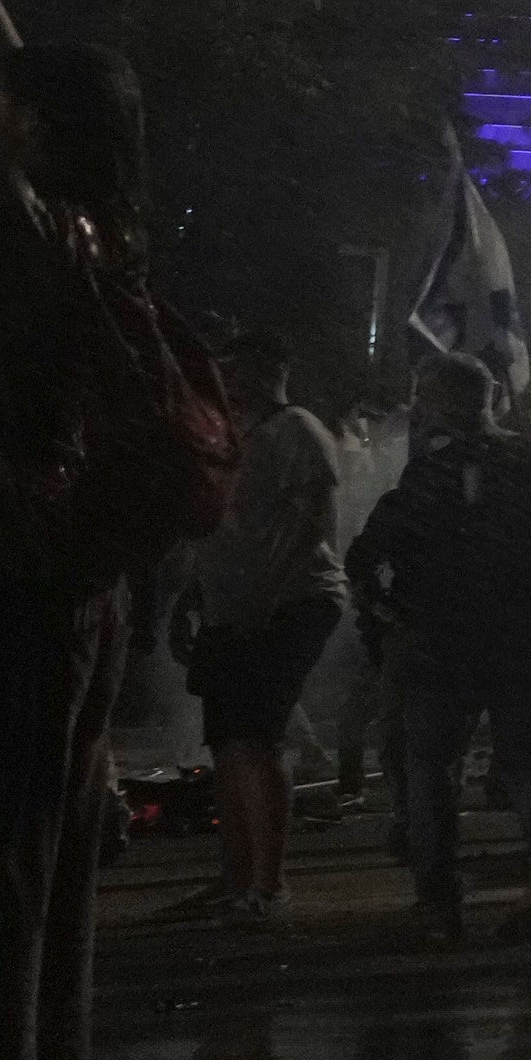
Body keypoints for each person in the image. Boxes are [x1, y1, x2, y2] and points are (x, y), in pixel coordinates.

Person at [0, 0, 224, 1060]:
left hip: (10, 582)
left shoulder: (12, 230)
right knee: (48, 852)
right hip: (79, 589)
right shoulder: (96, 234)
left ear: (35, 133)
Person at [352, 349, 531, 945]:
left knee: (430, 767)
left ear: (443, 402)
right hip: (521, 633)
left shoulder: (435, 469)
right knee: (521, 757)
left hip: (447, 636)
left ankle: (437, 902)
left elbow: (386, 543)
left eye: (424, 396)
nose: (417, 407)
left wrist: (385, 599)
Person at [171, 330, 348, 926]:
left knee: (256, 736)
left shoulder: (296, 428)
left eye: (246, 369)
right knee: (228, 743)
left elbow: (313, 522)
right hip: (234, 608)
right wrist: (195, 597)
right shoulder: (233, 435)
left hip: (289, 602)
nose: (233, 380)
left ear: (274, 371)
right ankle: (235, 880)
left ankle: (269, 887)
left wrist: (265, 600)